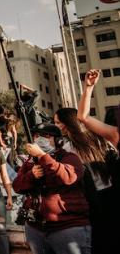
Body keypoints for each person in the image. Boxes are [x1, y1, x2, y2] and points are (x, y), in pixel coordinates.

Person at [13, 122, 91, 254]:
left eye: (46, 136)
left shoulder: (69, 157)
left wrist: (43, 157)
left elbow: (67, 177)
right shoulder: (30, 162)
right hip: (36, 227)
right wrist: (31, 175)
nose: (40, 139)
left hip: (67, 227)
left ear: (58, 141)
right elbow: (17, 186)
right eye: (37, 136)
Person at [54, 106, 116, 254]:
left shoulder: (68, 147)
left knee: (97, 240)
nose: (56, 126)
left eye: (57, 123)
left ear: (66, 123)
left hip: (91, 199)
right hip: (111, 193)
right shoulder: (96, 137)